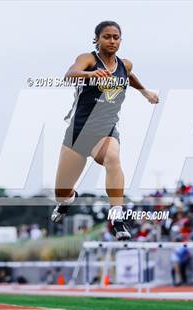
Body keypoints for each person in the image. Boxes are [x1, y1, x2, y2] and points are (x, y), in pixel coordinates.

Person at [51, 21, 159, 240]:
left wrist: (144, 92)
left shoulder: (125, 64)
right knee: (61, 192)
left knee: (112, 158)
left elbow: (129, 76)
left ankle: (117, 218)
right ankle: (67, 201)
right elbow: (69, 74)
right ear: (97, 39)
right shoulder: (89, 59)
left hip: (105, 131)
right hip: (78, 133)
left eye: (116, 37)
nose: (112, 41)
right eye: (107, 37)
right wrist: (90, 75)